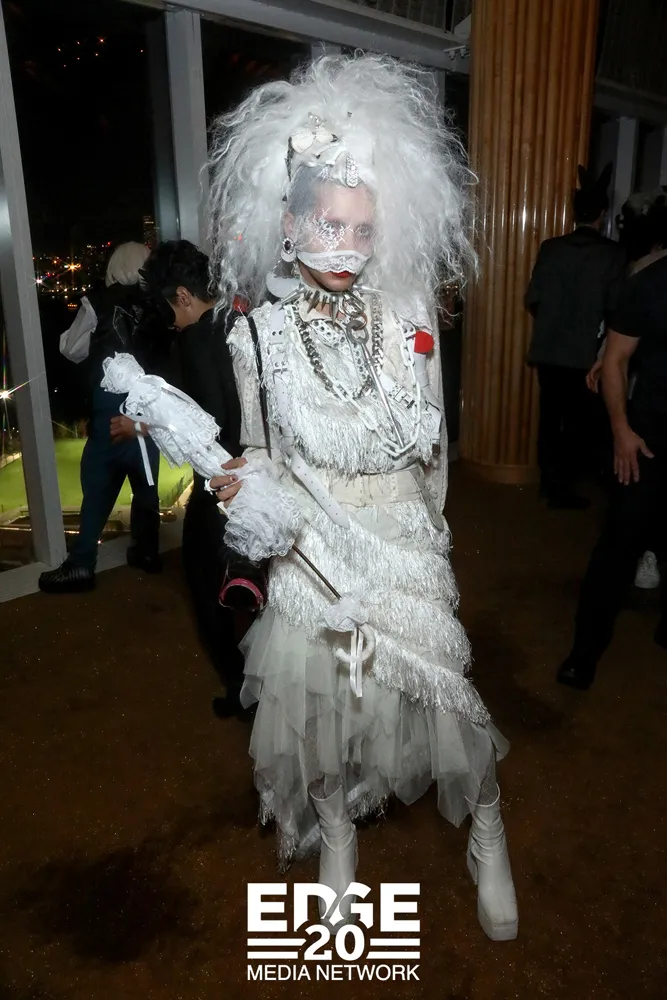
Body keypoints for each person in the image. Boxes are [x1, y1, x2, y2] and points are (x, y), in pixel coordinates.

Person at [206, 54, 518, 940]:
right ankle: (337, 839)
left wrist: (432, 538)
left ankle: (486, 829)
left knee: (446, 700)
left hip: (401, 535)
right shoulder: (256, 337)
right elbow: (259, 450)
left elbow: (433, 450)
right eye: (327, 223)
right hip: (311, 548)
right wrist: (241, 485)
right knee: (321, 721)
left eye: (361, 228)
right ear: (290, 223)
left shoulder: (407, 317)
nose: (345, 245)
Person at [135, 239, 258, 721]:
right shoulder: (240, 321)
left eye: (170, 309)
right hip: (259, 471)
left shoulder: (196, 340)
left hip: (222, 481)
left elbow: (210, 425)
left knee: (206, 585)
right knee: (253, 585)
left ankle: (241, 689)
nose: (171, 321)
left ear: (184, 296)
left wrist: (148, 424)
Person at [558, 192, 667, 690]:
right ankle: (584, 653)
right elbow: (617, 359)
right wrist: (622, 432)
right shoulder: (651, 282)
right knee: (618, 546)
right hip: (648, 439)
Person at [39, 242, 168, 594]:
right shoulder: (159, 305)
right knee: (146, 486)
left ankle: (81, 564)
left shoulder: (98, 303)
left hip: (110, 406)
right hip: (147, 406)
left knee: (97, 483)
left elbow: (71, 349)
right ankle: (146, 552)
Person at [526, 165, 626, 509]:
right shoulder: (613, 255)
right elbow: (617, 309)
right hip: (586, 354)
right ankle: (566, 486)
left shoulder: (550, 248)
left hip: (549, 350)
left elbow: (533, 298)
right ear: (602, 214)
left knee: (550, 419)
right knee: (581, 423)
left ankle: (549, 483)